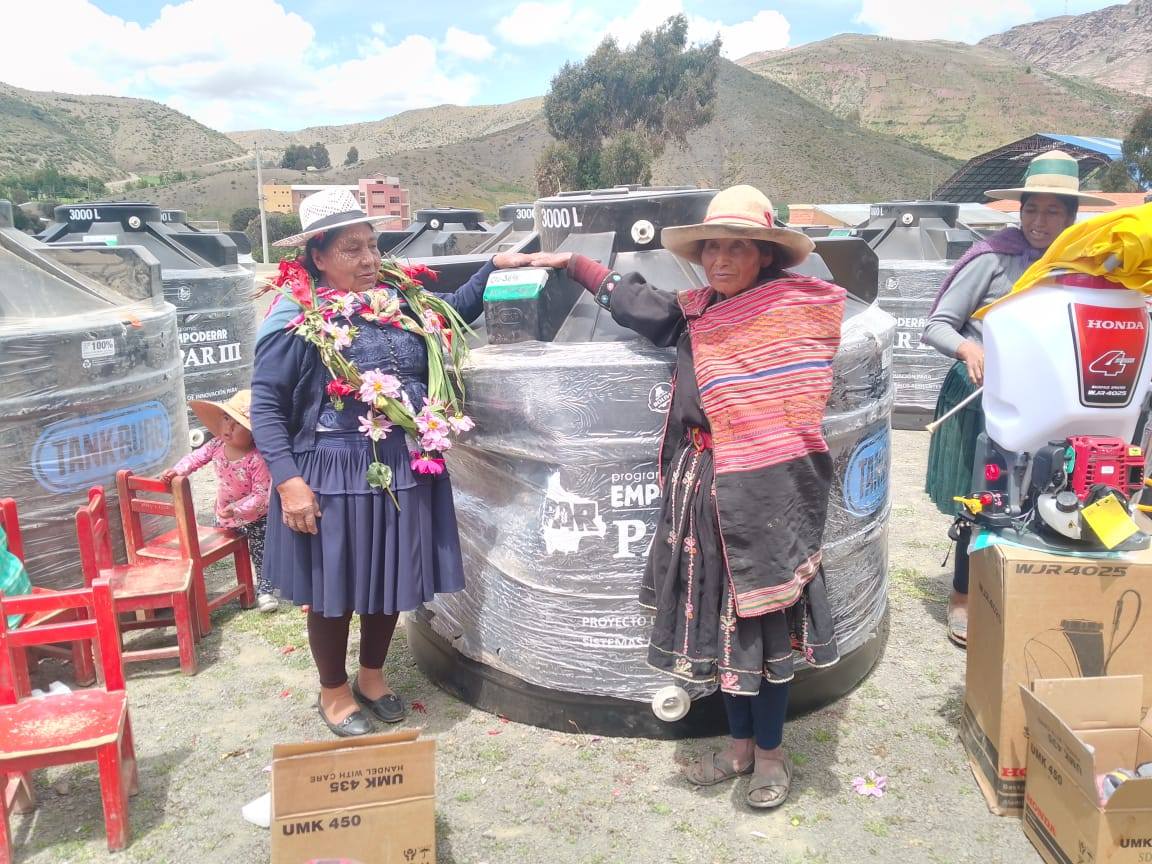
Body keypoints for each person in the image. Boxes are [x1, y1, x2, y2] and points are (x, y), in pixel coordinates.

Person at [531, 185, 844, 810]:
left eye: (736, 248)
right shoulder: (697, 313)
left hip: (768, 494)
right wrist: (576, 264)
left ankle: (772, 754)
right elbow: (639, 305)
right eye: (711, 249)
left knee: (765, 624)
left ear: (764, 254)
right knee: (719, 623)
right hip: (702, 486)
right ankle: (738, 747)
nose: (721, 260)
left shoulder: (796, 313)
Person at [251, 188, 538, 737]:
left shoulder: (396, 300)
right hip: (332, 473)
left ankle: (373, 676)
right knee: (334, 590)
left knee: (388, 578)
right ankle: (333, 691)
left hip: (401, 468)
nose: (368, 260)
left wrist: (494, 267)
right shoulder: (294, 317)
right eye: (352, 249)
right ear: (318, 255)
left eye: (373, 246)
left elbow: (449, 316)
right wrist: (289, 483)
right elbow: (265, 407)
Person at [922, 150, 1112, 648]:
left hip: (1054, 404)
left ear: (1072, 217)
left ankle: (1027, 592)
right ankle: (964, 596)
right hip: (985, 398)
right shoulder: (992, 258)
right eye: (1032, 209)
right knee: (983, 498)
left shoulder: (1086, 267)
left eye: (1052, 211)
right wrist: (969, 346)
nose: (1039, 221)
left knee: (1047, 495)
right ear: (1019, 210)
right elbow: (938, 324)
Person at [162, 389, 275, 612]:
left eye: (237, 424)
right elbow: (195, 458)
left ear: (254, 433)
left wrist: (238, 509)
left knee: (261, 553)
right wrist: (176, 471)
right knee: (209, 546)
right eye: (226, 419)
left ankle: (265, 590)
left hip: (257, 516)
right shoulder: (216, 447)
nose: (228, 428)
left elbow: (262, 495)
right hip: (225, 512)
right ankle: (191, 589)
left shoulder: (257, 458)